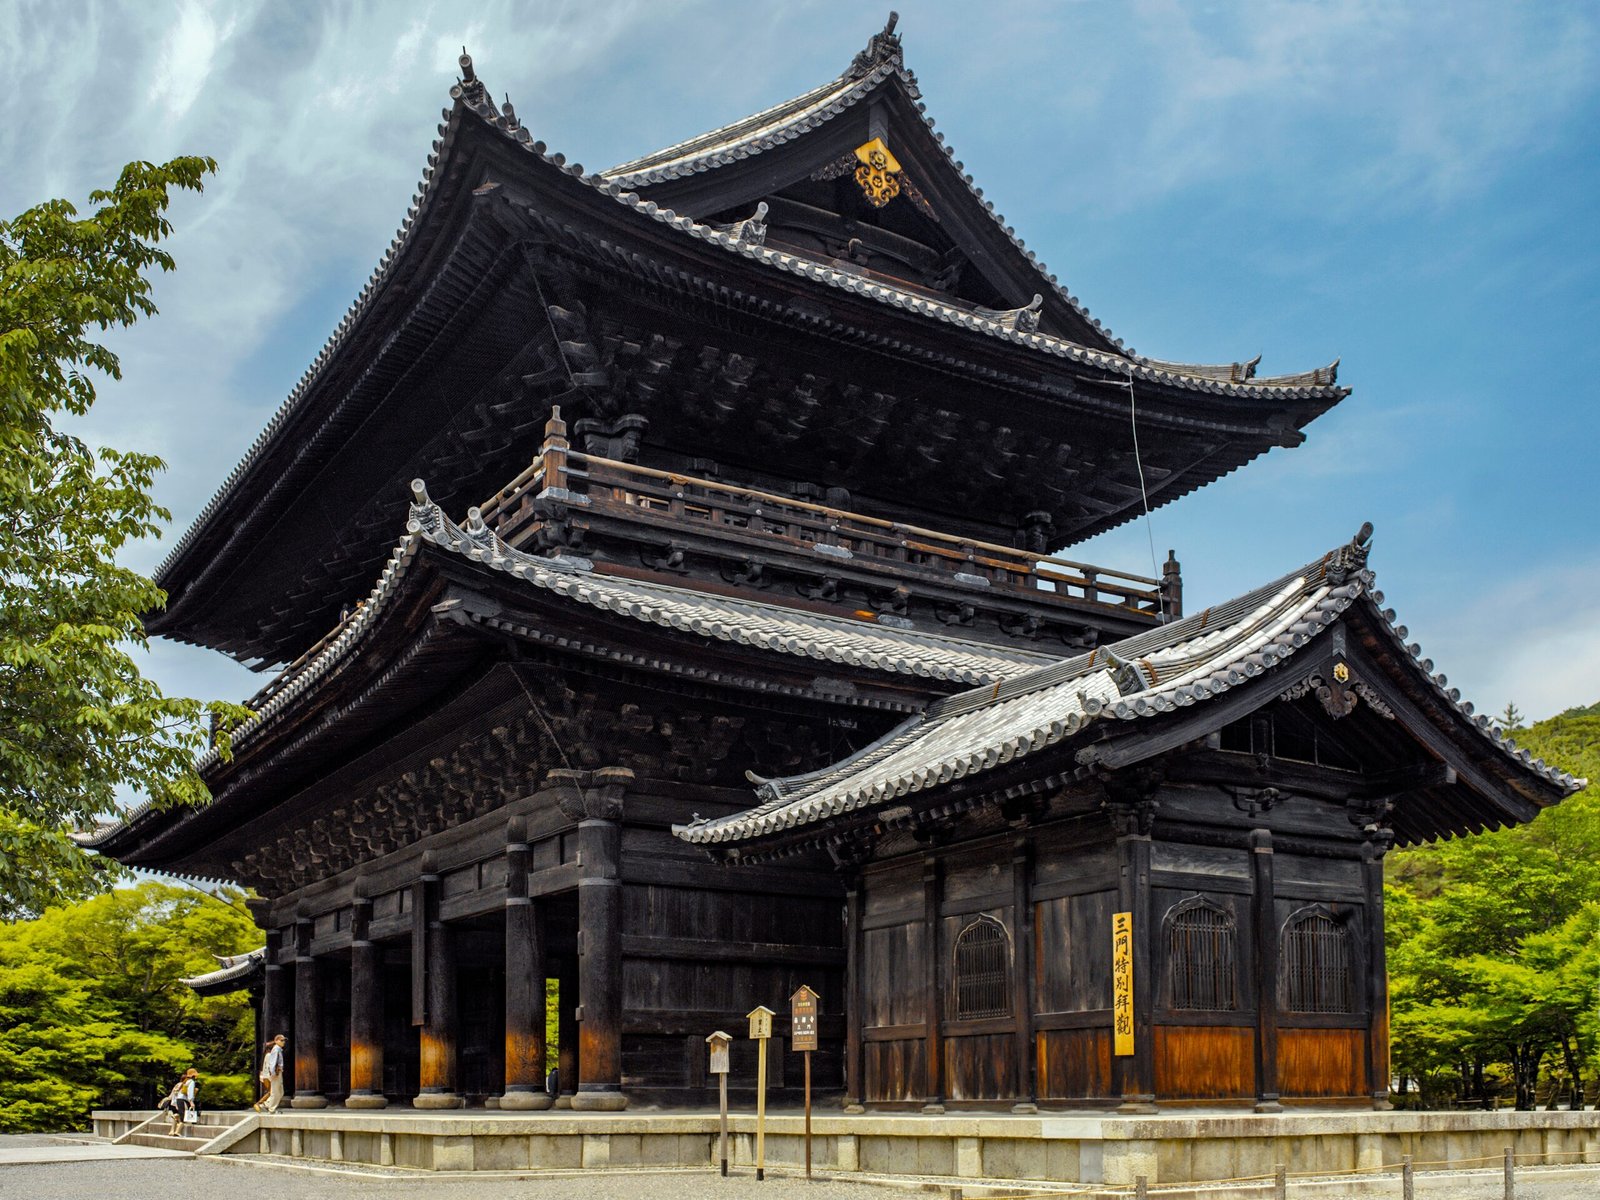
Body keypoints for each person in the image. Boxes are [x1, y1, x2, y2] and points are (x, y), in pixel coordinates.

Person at [254, 1033, 288, 1114]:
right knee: (275, 1092)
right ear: (276, 1041)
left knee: (280, 1092)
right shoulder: (276, 1049)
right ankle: (269, 1108)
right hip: (275, 1074)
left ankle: (266, 1105)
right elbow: (272, 1063)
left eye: (284, 1040)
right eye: (282, 1040)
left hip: (277, 1073)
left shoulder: (278, 1049)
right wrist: (273, 1074)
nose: (284, 1042)